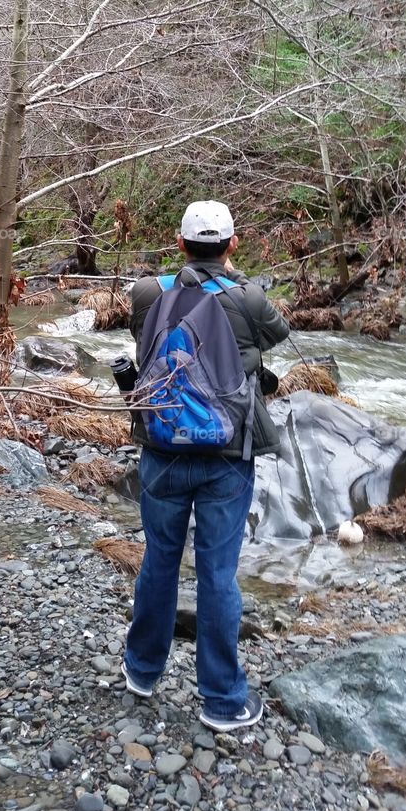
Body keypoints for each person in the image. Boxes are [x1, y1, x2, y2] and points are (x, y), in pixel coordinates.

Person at [121, 199, 289, 730]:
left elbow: (141, 335)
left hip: (163, 449)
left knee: (159, 560)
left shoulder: (151, 292)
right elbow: (277, 335)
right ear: (233, 245)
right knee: (218, 574)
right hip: (226, 454)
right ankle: (222, 701)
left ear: (179, 243)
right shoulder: (250, 298)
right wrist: (233, 281)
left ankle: (142, 671)